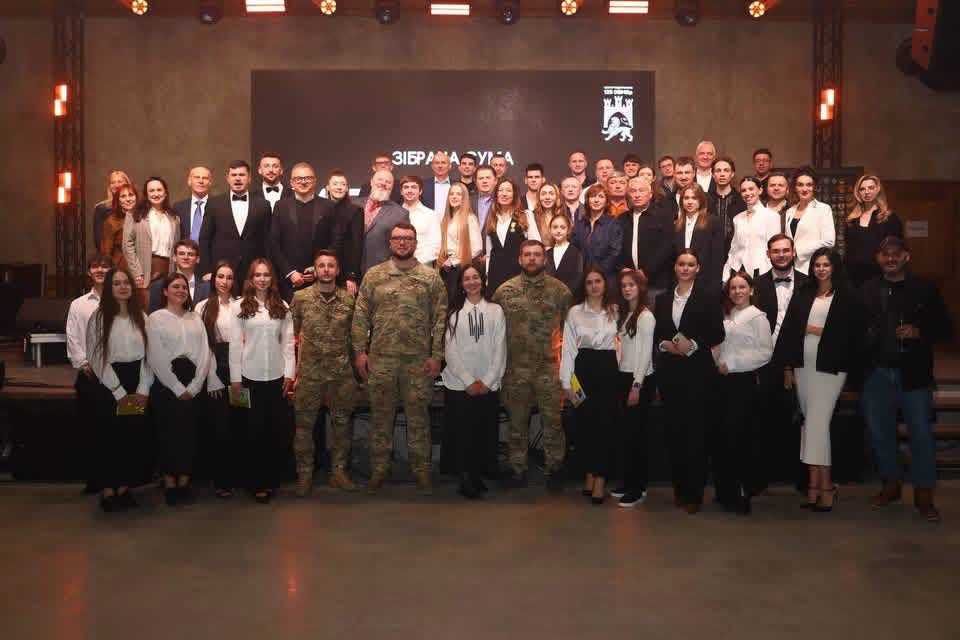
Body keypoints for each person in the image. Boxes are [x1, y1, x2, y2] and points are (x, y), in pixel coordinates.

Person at [860, 236, 953, 522]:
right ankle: (891, 484)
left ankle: (924, 495)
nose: (890, 258)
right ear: (878, 258)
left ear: (906, 257)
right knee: (880, 434)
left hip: (914, 374)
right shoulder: (867, 290)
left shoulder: (925, 288)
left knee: (921, 435)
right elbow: (854, 329)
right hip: (876, 373)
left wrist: (919, 332)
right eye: (885, 254)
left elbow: (946, 329)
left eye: (896, 254)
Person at [352, 222, 447, 494]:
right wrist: (360, 352)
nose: (403, 242)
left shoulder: (430, 278)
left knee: (419, 421)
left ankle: (422, 473)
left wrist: (437, 356)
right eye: (397, 238)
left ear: (415, 243)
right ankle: (378, 471)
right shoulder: (374, 276)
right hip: (381, 361)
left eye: (408, 238)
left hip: (418, 362)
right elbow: (360, 315)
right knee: (381, 420)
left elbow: (440, 319)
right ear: (390, 243)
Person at [780, 248, 859, 512]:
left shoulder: (846, 296)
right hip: (803, 368)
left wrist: (816, 330)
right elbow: (790, 331)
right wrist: (788, 367)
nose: (821, 269)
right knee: (810, 425)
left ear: (834, 267)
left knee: (818, 424)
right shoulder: (804, 293)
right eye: (817, 265)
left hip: (830, 368)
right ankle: (814, 486)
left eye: (826, 264)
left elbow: (852, 333)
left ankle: (825, 488)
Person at [491, 240, 573, 491]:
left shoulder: (560, 291)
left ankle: (555, 469)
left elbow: (571, 331)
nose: (532, 259)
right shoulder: (504, 292)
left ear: (544, 259)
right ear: (519, 259)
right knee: (516, 424)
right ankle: (518, 470)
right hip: (515, 370)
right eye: (527, 254)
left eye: (537, 254)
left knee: (553, 423)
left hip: (549, 369)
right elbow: (494, 331)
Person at [653, 249, 724, 514]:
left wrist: (692, 345)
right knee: (674, 434)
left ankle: (694, 494)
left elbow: (717, 333)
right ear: (675, 267)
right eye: (681, 264)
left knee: (695, 436)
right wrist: (666, 345)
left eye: (690, 264)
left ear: (698, 268)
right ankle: (679, 490)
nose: (685, 268)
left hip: (698, 376)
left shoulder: (708, 298)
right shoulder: (662, 299)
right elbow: (658, 334)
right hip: (670, 376)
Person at [290, 250, 359, 496]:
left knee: (342, 425)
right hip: (310, 373)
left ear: (337, 270)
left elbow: (355, 337)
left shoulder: (349, 300)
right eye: (321, 265)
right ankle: (305, 474)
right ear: (315, 270)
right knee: (304, 427)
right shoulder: (301, 298)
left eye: (331, 265)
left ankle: (338, 472)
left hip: (341, 373)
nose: (326, 270)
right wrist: (293, 373)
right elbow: (292, 335)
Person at [147, 272, 218, 506]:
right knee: (168, 432)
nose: (180, 291)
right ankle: (170, 483)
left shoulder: (195, 317)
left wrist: (196, 385)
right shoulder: (155, 318)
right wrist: (177, 388)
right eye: (175, 287)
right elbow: (155, 356)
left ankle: (185, 482)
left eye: (184, 287)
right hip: (166, 381)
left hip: (193, 379)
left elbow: (205, 352)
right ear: (165, 291)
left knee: (189, 432)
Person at [85, 267, 153, 512]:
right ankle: (108, 490)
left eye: (126, 283)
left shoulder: (141, 317)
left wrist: (143, 388)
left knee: (130, 437)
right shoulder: (99, 317)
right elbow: (96, 357)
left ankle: (124, 488)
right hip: (109, 383)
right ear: (109, 288)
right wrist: (119, 392)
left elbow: (150, 356)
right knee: (109, 438)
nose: (123, 287)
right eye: (117, 283)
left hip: (137, 380)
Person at [229, 259, 295, 504]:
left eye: (266, 275)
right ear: (251, 278)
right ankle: (255, 482)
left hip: (276, 378)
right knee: (252, 432)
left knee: (274, 432)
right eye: (257, 275)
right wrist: (235, 380)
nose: (262, 279)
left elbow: (288, 343)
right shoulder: (239, 306)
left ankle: (270, 480)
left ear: (272, 278)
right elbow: (235, 346)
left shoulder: (282, 306)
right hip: (249, 378)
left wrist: (289, 374)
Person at [441, 265, 506, 500]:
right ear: (461, 284)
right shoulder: (454, 313)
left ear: (483, 280)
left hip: (488, 384)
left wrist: (488, 380)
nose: (471, 282)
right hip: (460, 385)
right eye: (466, 279)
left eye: (475, 277)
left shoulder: (496, 311)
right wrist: (468, 381)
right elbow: (450, 351)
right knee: (463, 433)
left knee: (483, 432)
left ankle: (478, 474)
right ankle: (465, 477)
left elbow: (500, 347)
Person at [711, 273, 773, 514]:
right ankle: (725, 491)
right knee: (723, 438)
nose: (737, 291)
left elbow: (765, 352)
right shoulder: (727, 317)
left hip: (743, 383)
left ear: (751, 290)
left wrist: (733, 364)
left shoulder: (758, 317)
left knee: (740, 439)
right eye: (733, 288)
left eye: (742, 287)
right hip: (722, 383)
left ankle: (742, 493)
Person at [752, 234, 808, 489]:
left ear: (794, 252)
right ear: (768, 254)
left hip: (801, 360)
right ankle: (762, 477)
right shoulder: (757, 285)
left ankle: (802, 479)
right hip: (766, 361)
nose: (782, 255)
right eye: (776, 251)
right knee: (763, 419)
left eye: (786, 250)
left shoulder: (808, 283)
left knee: (802, 420)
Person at [560, 267, 620, 505]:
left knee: (605, 426)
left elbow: (622, 345)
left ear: (605, 284)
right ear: (584, 286)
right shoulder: (575, 312)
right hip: (582, 370)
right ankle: (589, 474)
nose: (594, 286)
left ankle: (600, 480)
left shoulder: (615, 310)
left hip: (608, 371)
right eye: (589, 282)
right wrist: (567, 382)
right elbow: (568, 349)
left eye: (598, 281)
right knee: (584, 425)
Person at [195, 261, 240, 498]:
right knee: (219, 426)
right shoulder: (202, 307)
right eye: (221, 276)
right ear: (214, 279)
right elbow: (202, 346)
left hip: (238, 372)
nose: (224, 281)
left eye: (229, 277)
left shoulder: (241, 304)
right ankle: (221, 480)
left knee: (238, 423)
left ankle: (237, 475)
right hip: (213, 370)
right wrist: (211, 377)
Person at [611, 269, 655, 508]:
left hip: (639, 380)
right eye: (624, 286)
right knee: (627, 435)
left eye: (632, 285)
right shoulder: (625, 314)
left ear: (640, 288)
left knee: (637, 436)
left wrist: (637, 386)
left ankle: (638, 488)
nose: (627, 289)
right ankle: (629, 482)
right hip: (624, 376)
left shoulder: (645, 316)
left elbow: (645, 355)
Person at [67, 254, 111, 494]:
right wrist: (85, 364)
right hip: (90, 375)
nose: (100, 270)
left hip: (117, 374)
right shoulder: (79, 304)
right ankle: (94, 479)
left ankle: (118, 480)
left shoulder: (121, 300)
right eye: (95, 266)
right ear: (89, 272)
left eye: (105, 266)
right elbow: (73, 337)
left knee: (116, 430)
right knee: (91, 429)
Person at [198, 161, 271, 292]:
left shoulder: (263, 205)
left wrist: (265, 270)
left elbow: (267, 240)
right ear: (228, 178)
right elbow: (204, 239)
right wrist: (207, 270)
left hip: (252, 272)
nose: (238, 178)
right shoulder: (214, 203)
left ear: (249, 178)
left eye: (242, 175)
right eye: (234, 175)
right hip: (222, 272)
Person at [269, 162, 337, 301]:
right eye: (299, 178)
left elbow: (335, 241)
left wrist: (318, 268)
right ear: (291, 182)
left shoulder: (329, 206)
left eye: (308, 178)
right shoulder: (281, 206)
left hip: (321, 280)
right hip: (289, 282)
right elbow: (274, 243)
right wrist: (290, 272)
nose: (303, 182)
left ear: (315, 181)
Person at [123, 176, 179, 304]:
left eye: (159, 190)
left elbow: (176, 246)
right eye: (152, 191)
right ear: (146, 194)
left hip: (168, 268)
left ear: (165, 193)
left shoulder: (174, 217)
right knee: (146, 308)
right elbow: (127, 245)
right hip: (145, 269)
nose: (156, 194)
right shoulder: (134, 214)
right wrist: (137, 272)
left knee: (165, 308)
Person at [618, 177, 674, 301]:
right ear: (628, 195)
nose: (637, 195)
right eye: (633, 191)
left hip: (656, 284)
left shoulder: (663, 216)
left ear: (650, 194)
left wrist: (645, 272)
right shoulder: (622, 219)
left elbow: (667, 248)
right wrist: (622, 268)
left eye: (641, 190)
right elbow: (616, 248)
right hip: (628, 284)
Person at [844, 175, 904, 287]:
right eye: (862, 189)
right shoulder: (851, 220)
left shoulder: (889, 218)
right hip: (854, 278)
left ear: (878, 190)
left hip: (881, 277)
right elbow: (848, 252)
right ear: (858, 193)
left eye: (871, 188)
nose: (867, 192)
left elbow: (898, 250)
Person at [484, 178, 541, 295]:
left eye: (508, 190)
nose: (504, 194)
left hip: (519, 275)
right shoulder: (491, 218)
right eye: (501, 190)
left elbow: (536, 246)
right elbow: (489, 253)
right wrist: (487, 276)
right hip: (496, 276)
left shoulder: (525, 216)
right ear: (496, 194)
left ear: (514, 194)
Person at [722, 176, 781, 283]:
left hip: (761, 270)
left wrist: (770, 274)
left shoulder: (772, 216)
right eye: (743, 190)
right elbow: (734, 248)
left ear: (760, 190)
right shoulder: (737, 218)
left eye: (751, 189)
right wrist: (726, 273)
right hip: (737, 269)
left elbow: (775, 248)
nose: (747, 193)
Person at [356, 170, 410, 275]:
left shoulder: (401, 213)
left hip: (382, 273)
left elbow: (402, 247)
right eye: (380, 179)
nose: (383, 183)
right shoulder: (354, 205)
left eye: (388, 182)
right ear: (371, 182)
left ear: (392, 187)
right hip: (352, 273)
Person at [673, 184, 724, 292]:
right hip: (680, 282)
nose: (690, 202)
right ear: (681, 201)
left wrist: (715, 285)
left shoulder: (713, 222)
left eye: (694, 198)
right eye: (686, 198)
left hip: (705, 281)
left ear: (701, 200)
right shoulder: (676, 224)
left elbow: (717, 258)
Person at [785, 167, 836, 275]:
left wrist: (798, 251)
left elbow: (829, 241)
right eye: (800, 185)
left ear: (815, 187)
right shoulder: (790, 211)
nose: (804, 189)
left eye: (809, 185)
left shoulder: (823, 209)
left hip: (813, 266)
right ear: (795, 187)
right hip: (791, 267)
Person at [438, 182, 483, 299]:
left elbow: (477, 248)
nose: (454, 197)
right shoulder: (447, 219)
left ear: (464, 198)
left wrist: (454, 261)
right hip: (448, 269)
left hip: (462, 269)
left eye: (458, 194)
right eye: (452, 194)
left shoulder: (470, 218)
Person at [320, 169, 362, 295]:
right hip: (321, 271)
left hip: (344, 273)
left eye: (343, 184)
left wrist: (351, 276)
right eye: (335, 184)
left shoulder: (355, 211)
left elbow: (356, 245)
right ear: (328, 188)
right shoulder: (320, 209)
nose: (339, 187)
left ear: (347, 188)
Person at [572, 183, 622, 284]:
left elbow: (615, 253)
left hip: (606, 278)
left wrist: (597, 273)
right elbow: (574, 250)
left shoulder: (613, 223)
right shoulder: (580, 224)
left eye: (601, 197)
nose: (596, 200)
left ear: (606, 201)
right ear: (587, 200)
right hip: (583, 277)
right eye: (593, 196)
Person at [148, 239, 210, 312]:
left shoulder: (207, 287)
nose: (186, 257)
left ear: (198, 259)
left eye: (190, 254)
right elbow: (153, 315)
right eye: (181, 253)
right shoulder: (159, 285)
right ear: (174, 257)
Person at [399, 175, 442, 266]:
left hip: (423, 266)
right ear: (401, 192)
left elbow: (435, 245)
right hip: (396, 266)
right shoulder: (394, 213)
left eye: (414, 187)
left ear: (420, 191)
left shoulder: (431, 215)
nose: (410, 190)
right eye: (406, 187)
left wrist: (416, 262)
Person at [707, 156, 747, 249]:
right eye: (718, 171)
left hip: (736, 250)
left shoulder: (742, 200)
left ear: (732, 174)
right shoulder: (706, 200)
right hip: (711, 250)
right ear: (713, 174)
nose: (722, 174)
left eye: (726, 170)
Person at [92, 170, 132, 251]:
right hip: (113, 254)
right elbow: (99, 240)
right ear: (109, 186)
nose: (116, 185)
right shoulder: (101, 208)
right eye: (113, 182)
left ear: (127, 184)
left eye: (119, 181)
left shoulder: (135, 207)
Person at [545, 214, 583, 299]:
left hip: (570, 299)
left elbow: (578, 278)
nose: (558, 231)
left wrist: (565, 295)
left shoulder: (576, 253)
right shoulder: (547, 254)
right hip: (550, 300)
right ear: (550, 230)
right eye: (555, 227)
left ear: (568, 230)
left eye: (562, 227)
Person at [101, 182, 138, 269]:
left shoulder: (143, 218)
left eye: (131, 195)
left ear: (136, 197)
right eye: (123, 196)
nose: (128, 199)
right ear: (118, 200)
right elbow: (106, 252)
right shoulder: (111, 222)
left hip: (142, 265)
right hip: (121, 267)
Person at [173, 166, 214, 244]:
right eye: (197, 177)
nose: (201, 181)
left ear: (210, 183)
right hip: (185, 251)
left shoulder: (218, 206)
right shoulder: (178, 207)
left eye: (205, 178)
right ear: (189, 181)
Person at [420, 150, 453, 215]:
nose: (440, 166)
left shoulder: (457, 185)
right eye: (437, 163)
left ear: (450, 166)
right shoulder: (423, 185)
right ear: (432, 166)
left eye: (443, 163)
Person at [473, 164, 497, 230]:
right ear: (475, 182)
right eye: (481, 178)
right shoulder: (468, 200)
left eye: (488, 178)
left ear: (495, 181)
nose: (484, 181)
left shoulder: (501, 200)